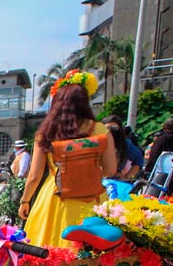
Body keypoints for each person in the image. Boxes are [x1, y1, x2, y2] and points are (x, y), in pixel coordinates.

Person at [19, 71, 116, 248]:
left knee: (49, 249)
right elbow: (110, 170)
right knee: (92, 251)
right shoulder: (100, 130)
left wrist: (25, 201)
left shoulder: (46, 133)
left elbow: (34, 176)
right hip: (92, 199)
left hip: (56, 198)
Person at [101, 115, 143, 181]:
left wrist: (127, 176)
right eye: (107, 128)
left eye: (114, 128)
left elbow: (138, 160)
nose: (110, 130)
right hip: (97, 178)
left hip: (116, 180)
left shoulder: (126, 144)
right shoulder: (97, 142)